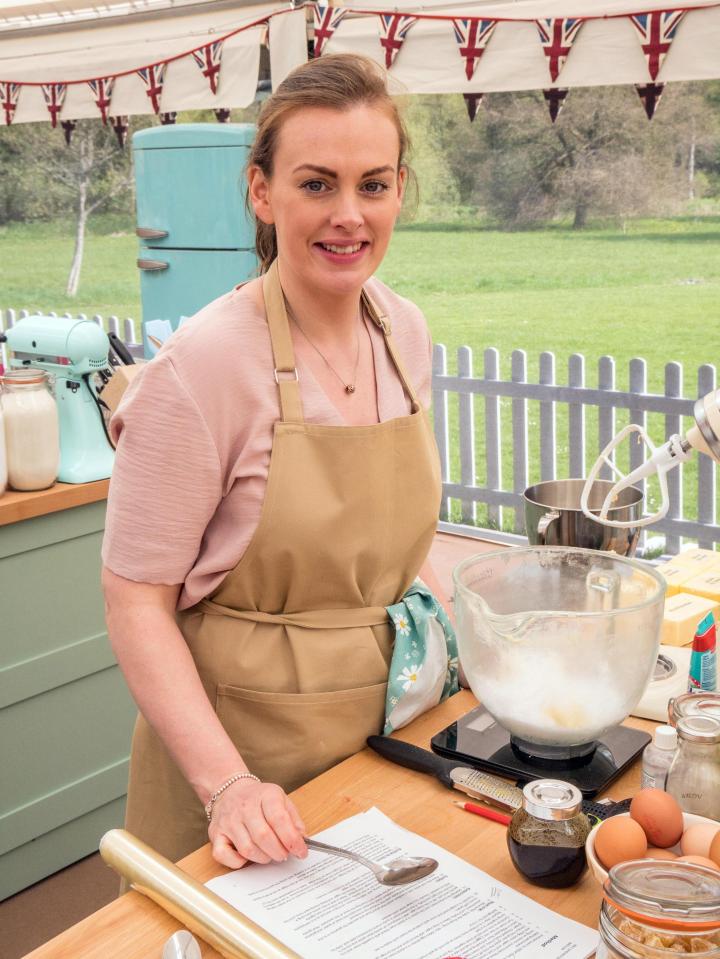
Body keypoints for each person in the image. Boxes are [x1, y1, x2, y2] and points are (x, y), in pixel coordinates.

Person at [101, 52, 448, 874]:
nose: (349, 216)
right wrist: (227, 785)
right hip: (235, 768)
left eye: (372, 184)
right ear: (262, 192)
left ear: (400, 189)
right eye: (316, 183)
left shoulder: (406, 333)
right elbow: (133, 599)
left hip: (379, 742)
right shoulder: (206, 365)